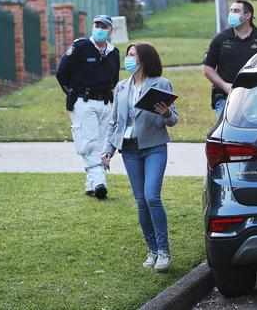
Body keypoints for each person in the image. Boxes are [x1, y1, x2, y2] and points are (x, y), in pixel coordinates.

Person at [101, 42, 178, 272]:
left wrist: (166, 114)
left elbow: (173, 119)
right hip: (130, 150)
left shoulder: (161, 84)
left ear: (143, 59)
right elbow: (114, 122)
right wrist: (108, 149)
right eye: (127, 55)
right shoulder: (122, 87)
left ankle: (164, 251)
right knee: (141, 202)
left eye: (132, 55)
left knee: (152, 196)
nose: (128, 59)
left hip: (154, 147)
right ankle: (152, 250)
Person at [56, 15, 120, 199]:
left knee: (101, 144)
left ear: (110, 31)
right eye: (97, 25)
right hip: (83, 101)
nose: (100, 29)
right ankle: (100, 181)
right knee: (89, 142)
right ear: (92, 27)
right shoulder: (80, 47)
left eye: (104, 26)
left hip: (106, 103)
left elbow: (114, 79)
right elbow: (62, 73)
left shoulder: (114, 52)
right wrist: (72, 94)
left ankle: (91, 185)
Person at [203, 0, 257, 119]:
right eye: (231, 11)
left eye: (236, 11)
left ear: (248, 15)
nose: (231, 14)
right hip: (226, 98)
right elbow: (207, 68)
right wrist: (225, 86)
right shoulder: (220, 38)